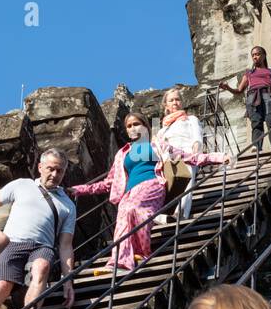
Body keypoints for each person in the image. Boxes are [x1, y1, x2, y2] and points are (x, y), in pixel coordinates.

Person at [69, 112, 228, 273]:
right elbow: (108, 183)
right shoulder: (122, 153)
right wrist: (79, 190)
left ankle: (129, 258)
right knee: (124, 217)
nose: (132, 128)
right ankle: (126, 258)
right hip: (129, 192)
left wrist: (219, 157)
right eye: (129, 126)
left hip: (152, 185)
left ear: (145, 126)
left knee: (134, 211)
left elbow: (190, 158)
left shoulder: (158, 146)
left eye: (136, 124)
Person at [0, 149, 77, 309]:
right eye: (50, 169)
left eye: (60, 171)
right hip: (12, 242)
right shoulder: (21, 185)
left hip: (42, 246)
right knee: (2, 286)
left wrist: (68, 279)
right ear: (40, 168)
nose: (54, 175)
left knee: (42, 267)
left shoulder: (68, 204)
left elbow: (65, 244)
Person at [218, 45, 271, 154]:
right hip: (253, 98)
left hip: (268, 96)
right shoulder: (249, 73)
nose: (255, 57)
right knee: (256, 122)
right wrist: (228, 88)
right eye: (253, 55)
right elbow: (239, 90)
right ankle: (257, 147)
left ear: (263, 56)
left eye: (257, 54)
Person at [153, 87, 204, 222]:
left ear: (182, 102)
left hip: (186, 153)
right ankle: (166, 217)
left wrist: (195, 153)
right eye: (171, 100)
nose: (175, 102)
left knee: (185, 183)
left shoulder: (190, 119)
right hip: (168, 159)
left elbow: (197, 137)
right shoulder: (162, 130)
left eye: (177, 99)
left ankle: (180, 214)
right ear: (166, 105)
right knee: (170, 188)